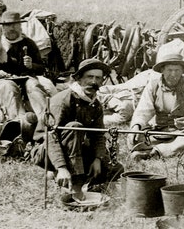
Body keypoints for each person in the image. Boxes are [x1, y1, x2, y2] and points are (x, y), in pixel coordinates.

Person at [28, 59, 124, 196]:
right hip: (46, 149)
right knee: (75, 127)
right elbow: (50, 137)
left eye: (98, 78)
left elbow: (98, 135)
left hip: (76, 147)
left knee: (115, 170)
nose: (93, 82)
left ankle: (74, 176)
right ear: (78, 79)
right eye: (89, 77)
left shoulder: (95, 104)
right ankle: (71, 181)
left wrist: (97, 159)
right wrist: (61, 167)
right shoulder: (62, 101)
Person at [127, 53, 184, 161]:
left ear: (182, 72)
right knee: (133, 138)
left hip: (182, 133)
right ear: (162, 70)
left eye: (177, 70)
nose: (173, 74)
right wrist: (136, 127)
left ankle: (156, 152)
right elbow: (143, 112)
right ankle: (176, 148)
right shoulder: (153, 86)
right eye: (169, 70)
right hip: (158, 132)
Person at [0, 11, 48, 128]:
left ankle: (45, 122)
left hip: (26, 78)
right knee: (9, 87)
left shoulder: (29, 43)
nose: (12, 28)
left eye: (15, 25)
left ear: (20, 26)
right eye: (8, 25)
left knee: (34, 86)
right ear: (3, 27)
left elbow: (41, 68)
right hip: (2, 81)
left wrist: (32, 66)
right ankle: (19, 123)